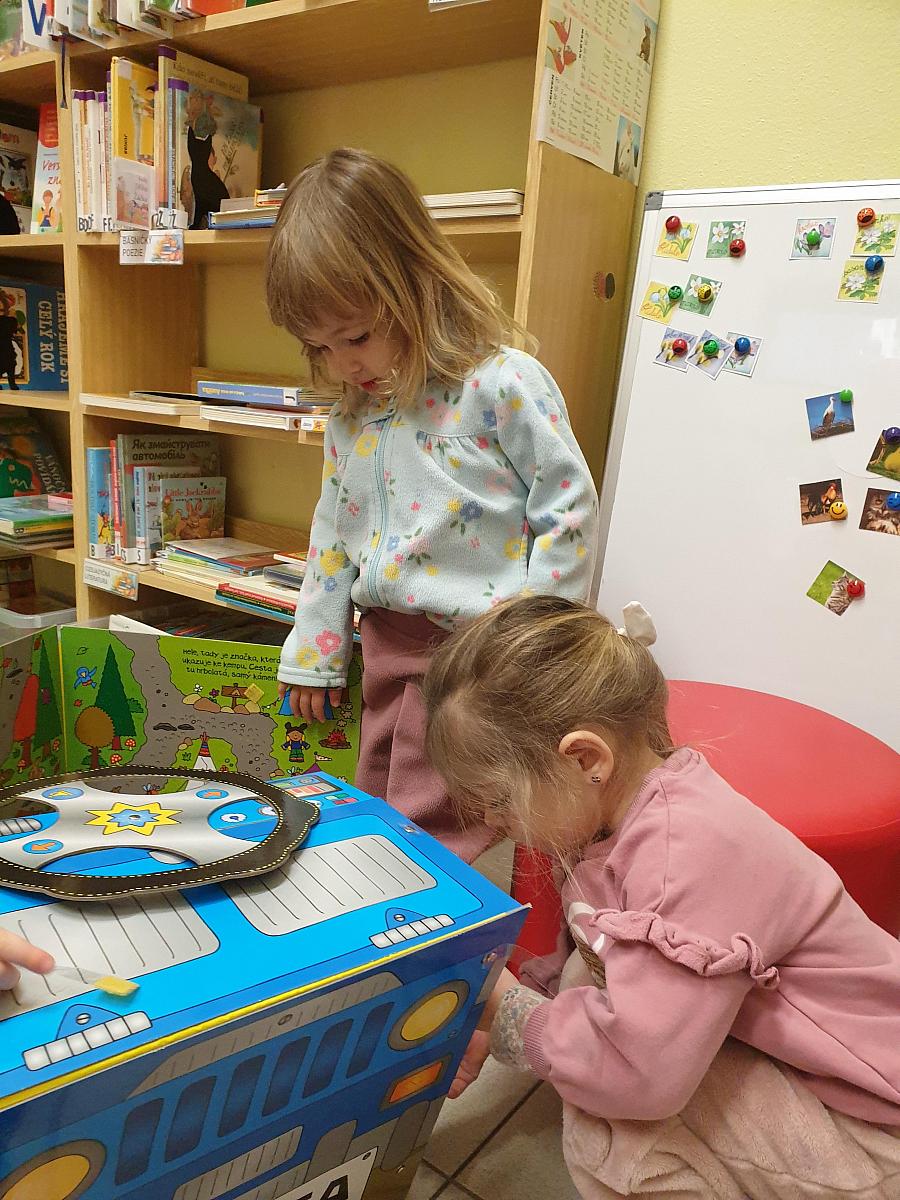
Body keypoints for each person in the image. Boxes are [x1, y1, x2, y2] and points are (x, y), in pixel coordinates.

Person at [422, 595, 900, 1198]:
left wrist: (509, 1014)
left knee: (613, 1135)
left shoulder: (688, 854)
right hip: (815, 1057)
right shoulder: (614, 815)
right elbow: (598, 951)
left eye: (498, 799)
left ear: (585, 758)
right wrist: (526, 1005)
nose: (494, 822)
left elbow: (637, 1076)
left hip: (872, 1112)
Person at [266, 148, 598, 862]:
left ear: (416, 283)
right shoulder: (352, 417)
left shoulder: (500, 383)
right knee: (379, 797)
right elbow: (334, 535)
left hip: (478, 655)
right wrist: (316, 647)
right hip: (386, 646)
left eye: (357, 336)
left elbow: (566, 504)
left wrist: (536, 640)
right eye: (320, 347)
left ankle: (436, 910)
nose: (343, 363)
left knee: (450, 828)